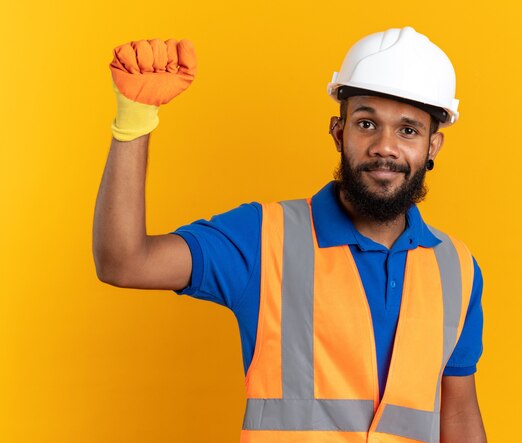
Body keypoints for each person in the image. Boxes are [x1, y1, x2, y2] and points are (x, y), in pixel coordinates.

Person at [93, 26, 487, 443]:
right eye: (367, 123)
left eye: (408, 130)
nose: (384, 146)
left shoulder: (456, 268)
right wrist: (134, 119)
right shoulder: (264, 237)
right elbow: (124, 262)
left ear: (432, 147)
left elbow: (458, 414)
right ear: (339, 132)